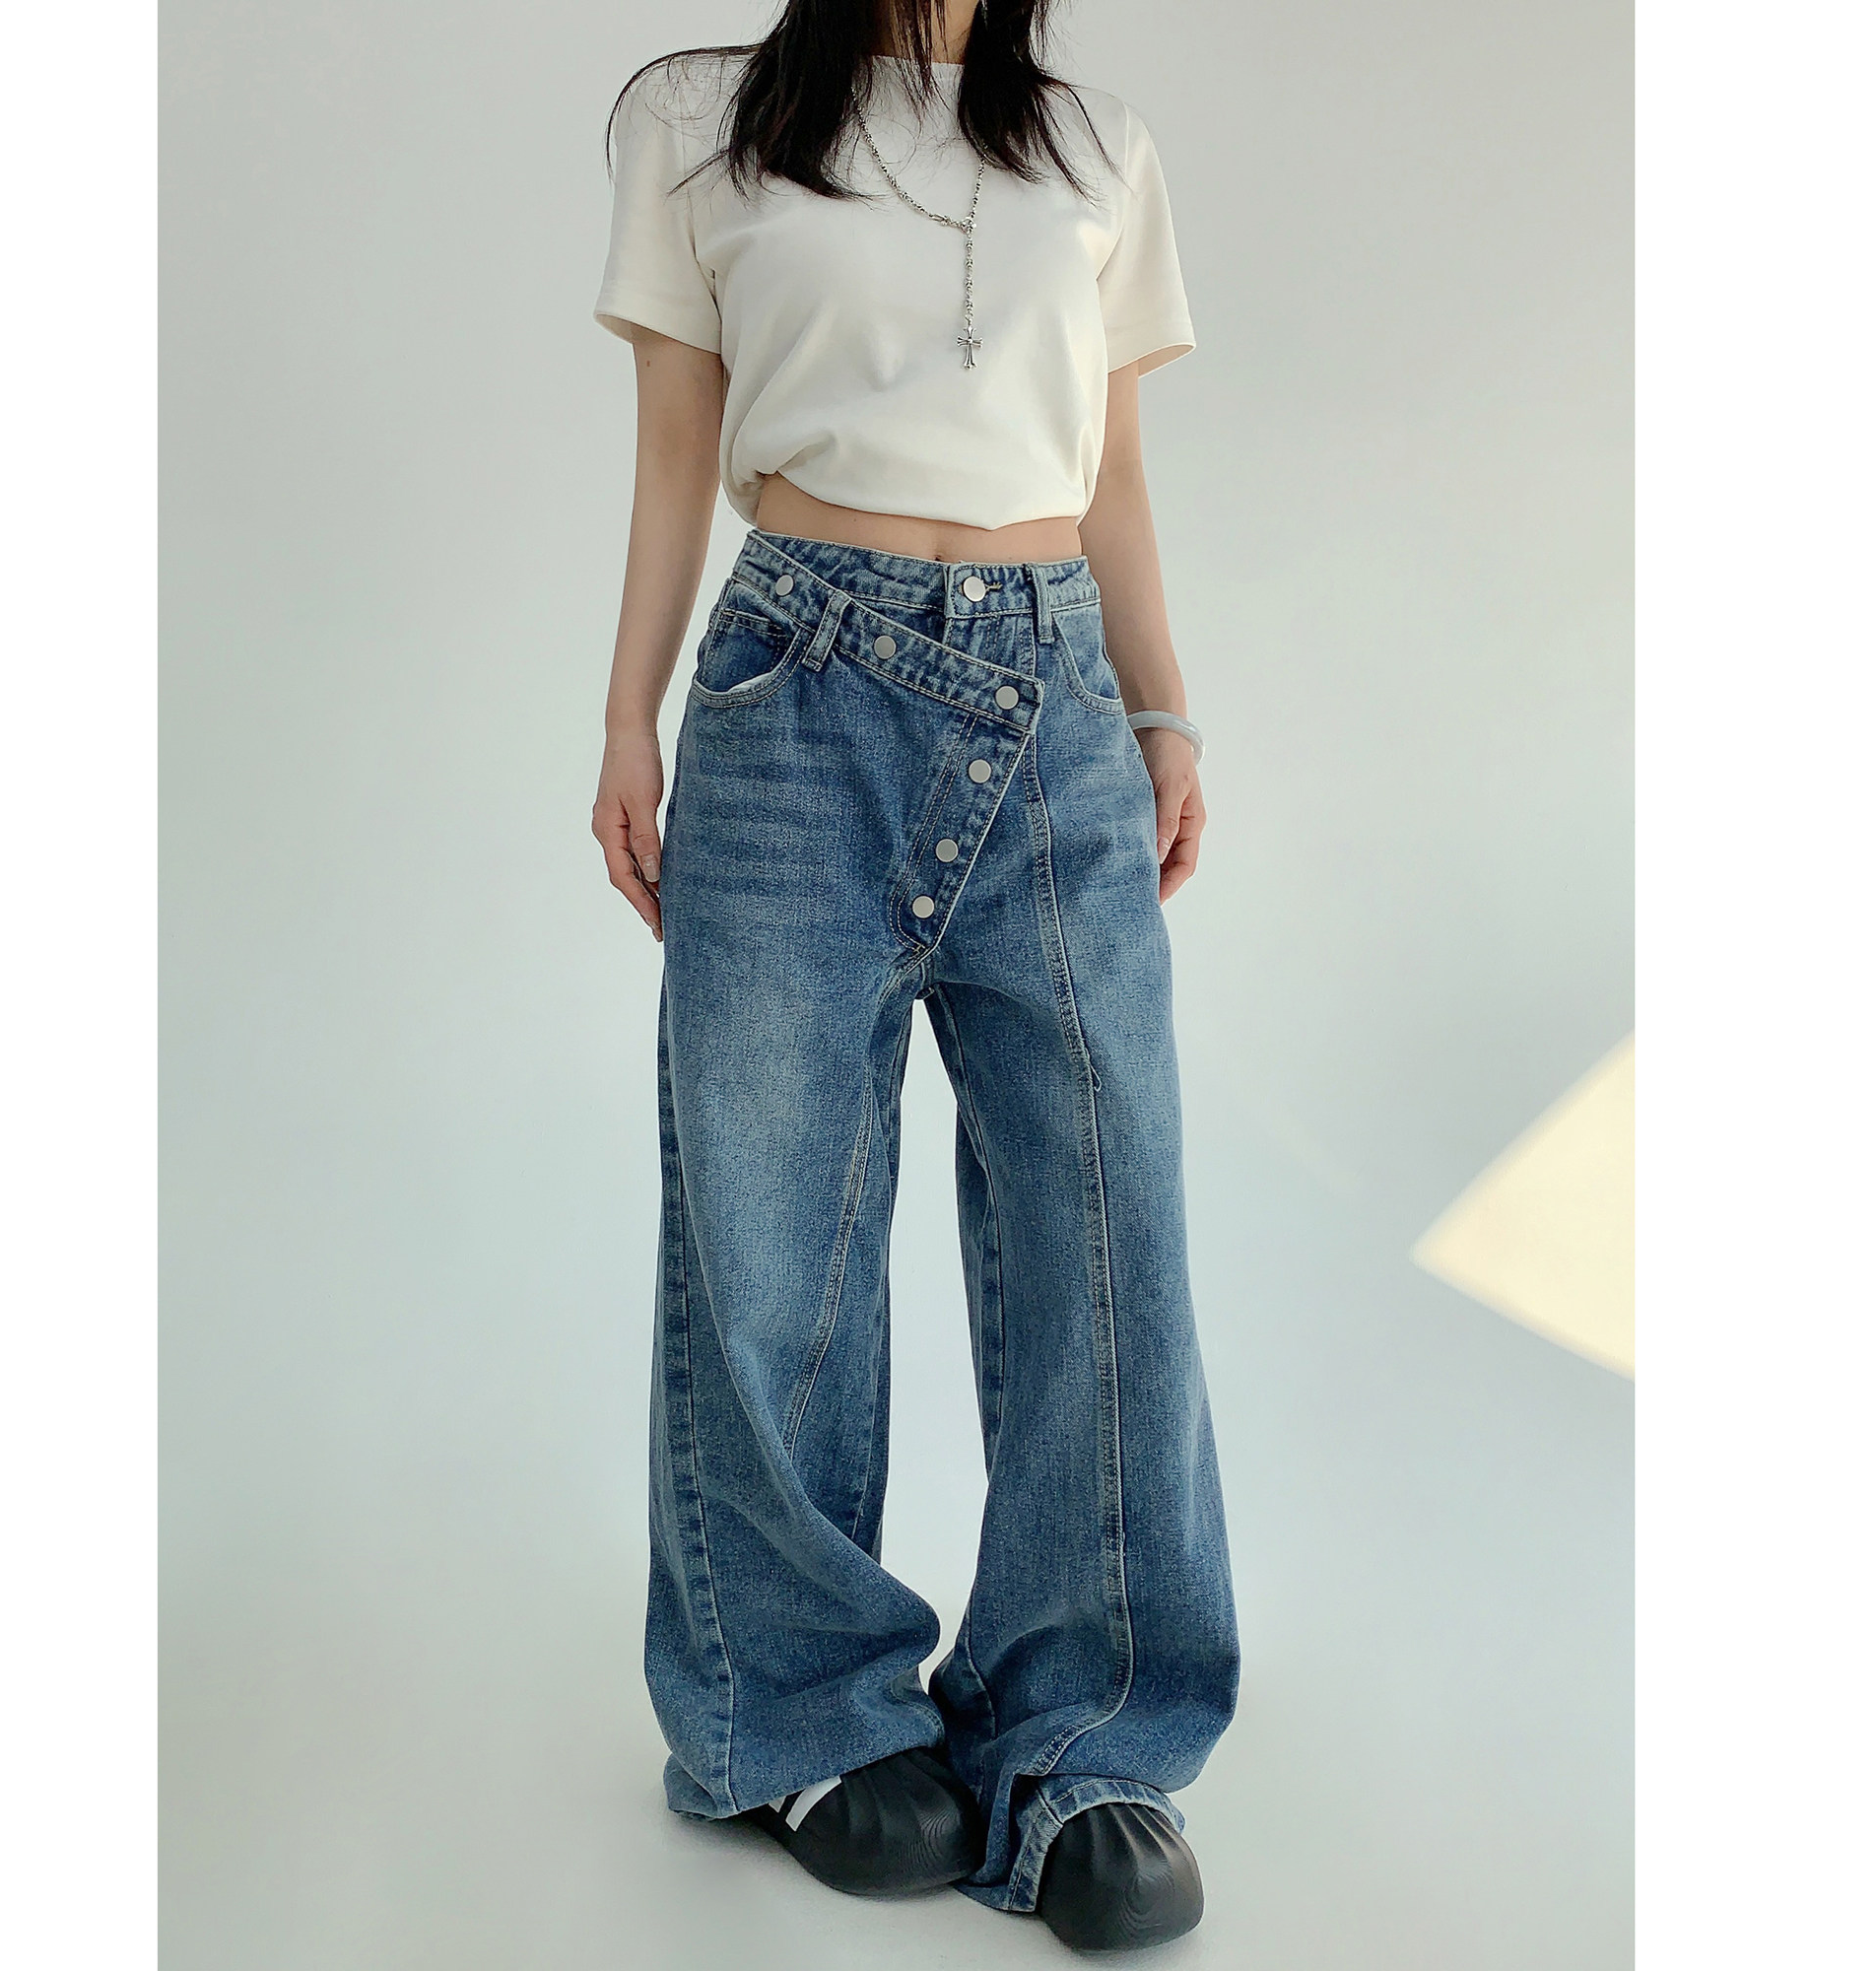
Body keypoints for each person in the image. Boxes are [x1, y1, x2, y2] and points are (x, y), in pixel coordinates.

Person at [591, 0, 1239, 1950]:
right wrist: (625, 723)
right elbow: (674, 454)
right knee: (770, 1226)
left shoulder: (1096, 146)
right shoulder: (698, 118)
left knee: (1103, 1223)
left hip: (1057, 703)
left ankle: (1086, 1742)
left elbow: (1112, 468)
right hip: (796, 685)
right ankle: (798, 1714)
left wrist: (1162, 709)